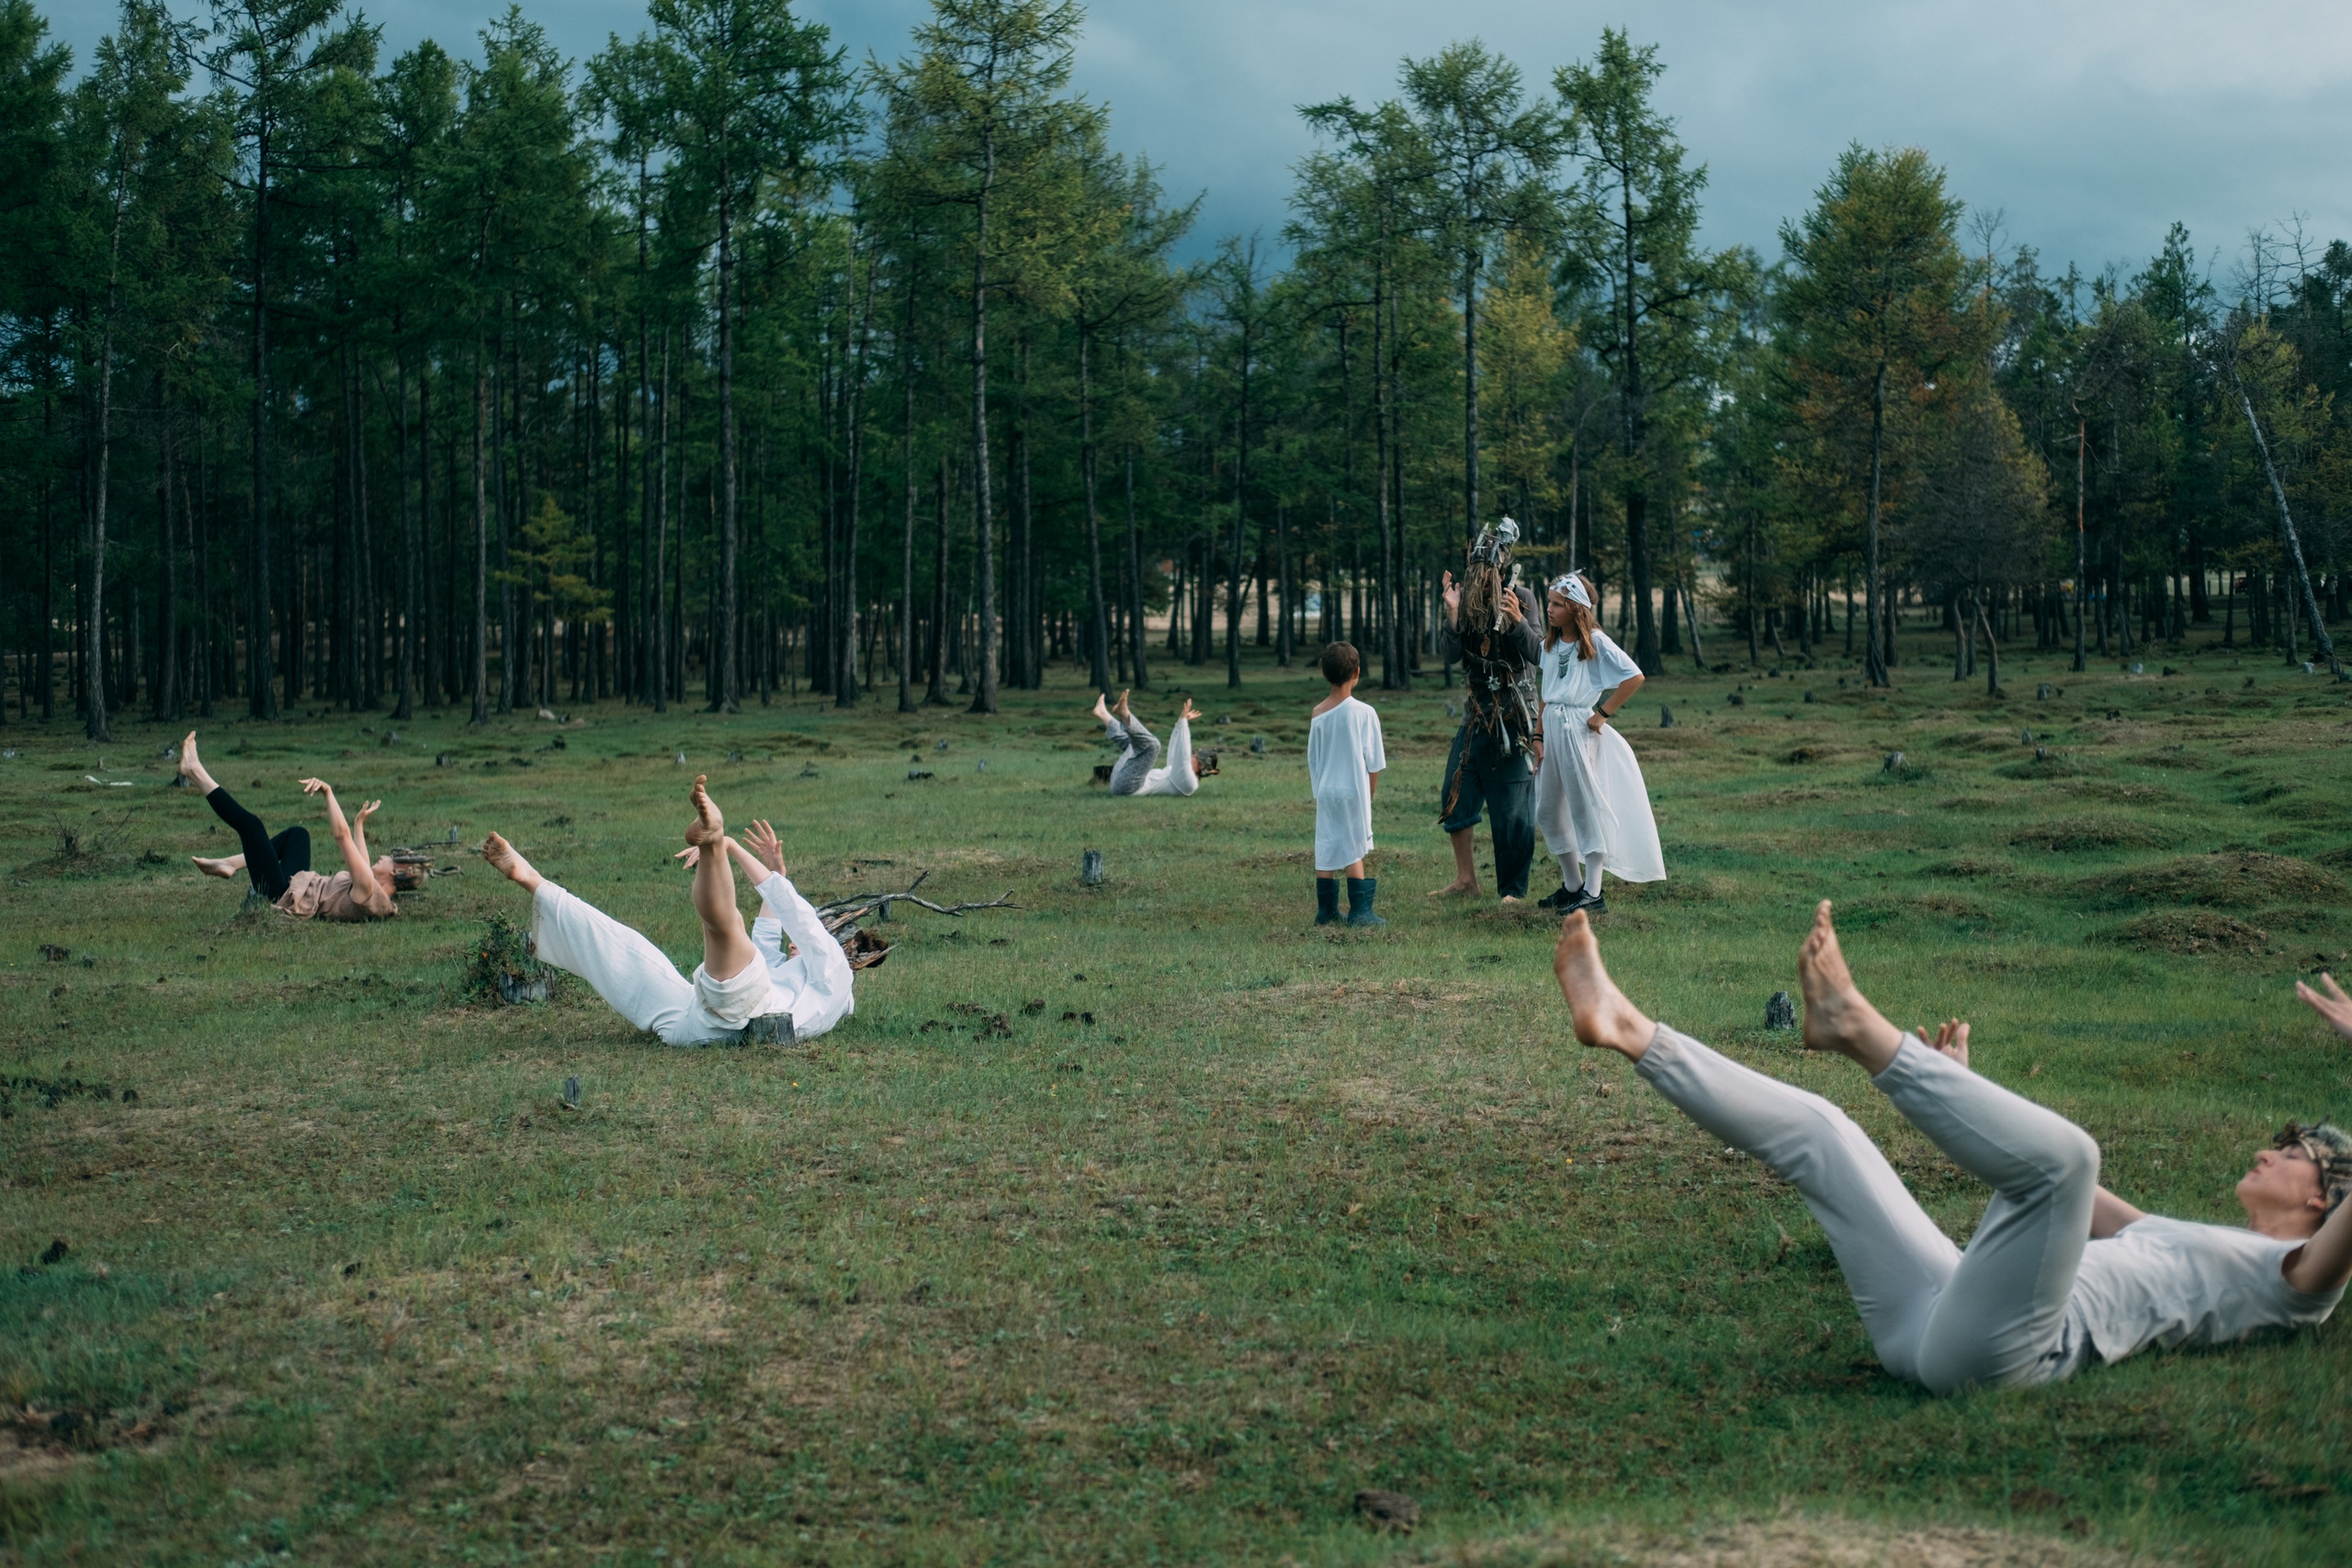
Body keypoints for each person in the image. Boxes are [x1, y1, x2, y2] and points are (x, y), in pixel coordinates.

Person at [1552, 900, 2351, 1394]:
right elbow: (2039, 1192)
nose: (2268, 1151)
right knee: (1827, 1134)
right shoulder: (2188, 1242)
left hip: (2012, 1352)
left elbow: (2053, 1177)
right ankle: (1629, 1029)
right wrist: (1960, 1085)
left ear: (2325, 1197)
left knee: (2072, 1158)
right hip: (1942, 1312)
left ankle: (1858, 1028)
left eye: (2293, 1151)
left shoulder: (2303, 1288)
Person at [481, 776, 854, 1045]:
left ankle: (712, 841)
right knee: (626, 951)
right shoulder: (792, 973)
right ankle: (533, 881)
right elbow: (771, 932)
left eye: (801, 946)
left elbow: (800, 920)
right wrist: (776, 873)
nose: (795, 945)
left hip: (740, 1013)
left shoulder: (834, 971)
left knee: (724, 928)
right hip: (694, 1022)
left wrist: (730, 847)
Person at [1531, 572, 1664, 913]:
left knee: (1584, 808)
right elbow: (1547, 693)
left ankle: (1593, 892)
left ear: (1576, 609)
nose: (1549, 609)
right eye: (1549, 602)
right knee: (1547, 809)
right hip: (1553, 730)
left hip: (1577, 729)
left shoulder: (1595, 642)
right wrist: (1538, 735)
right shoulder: (1552, 643)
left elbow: (1634, 676)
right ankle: (1572, 885)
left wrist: (1602, 713)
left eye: (1557, 604)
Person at [178, 732, 413, 919]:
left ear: (397, 871)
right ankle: (230, 864)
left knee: (252, 826)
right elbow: (361, 862)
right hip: (300, 886)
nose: (383, 856)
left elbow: (342, 838)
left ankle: (195, 771)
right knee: (298, 835)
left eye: (390, 858)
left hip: (285, 896)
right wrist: (358, 822)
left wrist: (327, 791)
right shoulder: (373, 890)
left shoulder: (368, 890)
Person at [1431, 529, 1543, 904]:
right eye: (1475, 567)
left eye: (1487, 568)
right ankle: (1466, 880)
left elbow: (1538, 654)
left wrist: (1516, 622)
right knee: (1455, 792)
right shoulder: (1464, 603)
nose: (1480, 575)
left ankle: (1513, 891)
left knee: (1512, 808)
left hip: (1515, 718)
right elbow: (1450, 655)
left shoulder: (1521, 597)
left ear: (1500, 567)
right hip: (1476, 717)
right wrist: (1451, 612)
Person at [1308, 640, 1387, 928]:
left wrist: (1318, 790)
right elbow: (1374, 761)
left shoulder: (1317, 714)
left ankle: (1326, 911)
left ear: (1323, 673)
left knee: (1326, 845)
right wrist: (1370, 792)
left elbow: (1313, 758)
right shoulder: (1365, 713)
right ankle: (1360, 912)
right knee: (1354, 848)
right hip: (1354, 791)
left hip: (1327, 791)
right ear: (1357, 672)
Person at [1093, 691, 1216, 795]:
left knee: (1154, 746)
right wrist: (1181, 722)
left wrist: (1184, 723)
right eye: (1194, 754)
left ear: (1201, 766)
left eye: (1195, 757)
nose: (1192, 756)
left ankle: (1124, 714)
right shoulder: (1177, 773)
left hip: (1128, 788)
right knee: (1135, 744)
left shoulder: (1190, 784)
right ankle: (1103, 714)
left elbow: (1183, 757)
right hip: (1120, 779)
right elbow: (1175, 751)